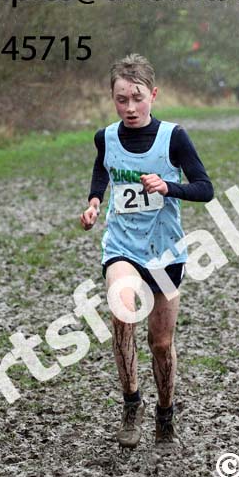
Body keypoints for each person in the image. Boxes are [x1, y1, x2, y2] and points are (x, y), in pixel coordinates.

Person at [80, 54, 214, 452]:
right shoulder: (105, 136)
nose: (130, 108)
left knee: (160, 342)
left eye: (137, 98)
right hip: (122, 246)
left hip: (165, 251)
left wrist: (169, 187)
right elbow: (102, 168)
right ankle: (131, 403)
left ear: (153, 95)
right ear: (112, 98)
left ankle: (165, 416)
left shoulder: (174, 137)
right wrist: (93, 202)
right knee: (122, 310)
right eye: (121, 100)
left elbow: (205, 188)